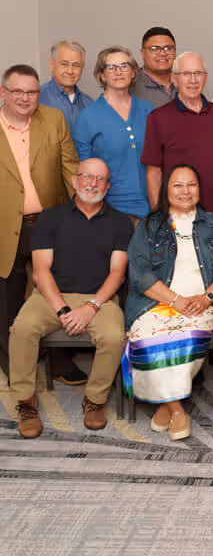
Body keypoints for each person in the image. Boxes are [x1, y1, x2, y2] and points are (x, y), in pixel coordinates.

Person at [10, 158, 133, 438]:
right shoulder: (51, 218)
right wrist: (63, 309)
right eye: (87, 177)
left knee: (114, 336)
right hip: (50, 296)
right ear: (75, 180)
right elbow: (41, 272)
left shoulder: (120, 222)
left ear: (108, 185)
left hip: (99, 299)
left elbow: (117, 274)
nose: (92, 183)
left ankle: (95, 400)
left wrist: (91, 307)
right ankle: (26, 401)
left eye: (100, 179)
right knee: (22, 329)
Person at [124, 164, 213, 441]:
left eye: (191, 185)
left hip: (203, 304)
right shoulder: (150, 226)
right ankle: (177, 410)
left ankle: (164, 405)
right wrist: (174, 300)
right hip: (156, 303)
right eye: (178, 185)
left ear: (199, 189)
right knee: (144, 338)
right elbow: (139, 273)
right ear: (166, 190)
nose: (185, 191)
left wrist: (206, 297)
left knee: (185, 339)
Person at [0, 64, 78, 374]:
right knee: (8, 298)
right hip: (5, 227)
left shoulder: (53, 119)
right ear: (3, 93)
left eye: (31, 91)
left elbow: (71, 168)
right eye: (17, 91)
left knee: (54, 292)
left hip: (48, 223)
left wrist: (80, 216)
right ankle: (14, 364)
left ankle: (60, 361)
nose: (25, 98)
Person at [142, 52, 213, 224]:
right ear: (174, 79)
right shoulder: (158, 118)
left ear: (205, 78)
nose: (193, 80)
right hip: (180, 218)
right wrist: (159, 218)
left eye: (198, 73)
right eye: (186, 74)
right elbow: (153, 174)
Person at [72, 47, 153, 218]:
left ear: (133, 72)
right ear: (102, 75)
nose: (118, 72)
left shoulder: (148, 110)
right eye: (111, 67)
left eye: (124, 66)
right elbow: (84, 170)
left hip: (150, 207)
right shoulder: (87, 117)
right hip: (109, 211)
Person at [39, 40, 93, 127]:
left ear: (82, 68)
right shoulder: (38, 98)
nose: (70, 71)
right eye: (64, 64)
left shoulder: (89, 103)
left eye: (76, 65)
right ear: (51, 65)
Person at [132, 26, 177, 107]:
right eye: (154, 48)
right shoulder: (130, 85)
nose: (163, 53)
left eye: (168, 48)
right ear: (142, 53)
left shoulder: (187, 82)